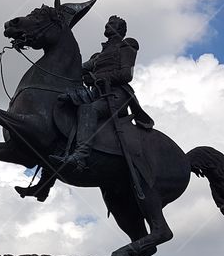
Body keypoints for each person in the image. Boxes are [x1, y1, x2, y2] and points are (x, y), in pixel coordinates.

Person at [50, 15, 154, 172]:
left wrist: (96, 78)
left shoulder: (127, 45)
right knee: (62, 101)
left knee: (88, 110)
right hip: (96, 94)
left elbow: (126, 75)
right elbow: (77, 69)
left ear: (120, 29)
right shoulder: (98, 56)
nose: (107, 25)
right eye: (107, 23)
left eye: (112, 24)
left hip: (116, 95)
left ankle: (81, 157)